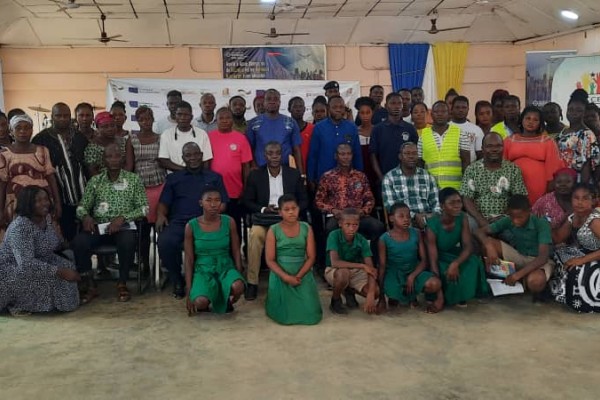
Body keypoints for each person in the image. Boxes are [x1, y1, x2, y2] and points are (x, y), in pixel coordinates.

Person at [72, 143, 148, 303]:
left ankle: (122, 282)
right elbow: (82, 206)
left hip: (123, 227)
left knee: (128, 241)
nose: (113, 160)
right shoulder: (95, 181)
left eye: (117, 156)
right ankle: (89, 284)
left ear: (123, 159)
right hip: (99, 227)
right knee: (79, 242)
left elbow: (144, 208)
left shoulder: (133, 179)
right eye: (109, 156)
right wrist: (85, 217)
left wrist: (123, 218)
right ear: (103, 160)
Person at [157, 142, 228, 299]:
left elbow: (223, 203)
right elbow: (163, 202)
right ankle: (177, 279)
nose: (193, 158)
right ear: (183, 158)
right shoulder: (174, 178)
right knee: (164, 242)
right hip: (179, 222)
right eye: (188, 155)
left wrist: (213, 211)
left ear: (202, 156)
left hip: (206, 222)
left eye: (196, 154)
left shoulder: (214, 177)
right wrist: (161, 215)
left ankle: (209, 278)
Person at [241, 141, 307, 301]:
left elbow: (304, 201)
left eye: (278, 153)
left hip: (288, 220)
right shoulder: (256, 175)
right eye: (270, 153)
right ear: (265, 156)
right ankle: (252, 282)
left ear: (282, 155)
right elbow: (247, 201)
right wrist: (264, 209)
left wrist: (290, 211)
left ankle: (299, 277)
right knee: (255, 235)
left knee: (303, 231)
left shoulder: (293, 174)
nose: (275, 157)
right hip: (265, 219)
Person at [0, 186, 80, 316]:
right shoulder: (20, 227)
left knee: (68, 265)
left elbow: (51, 243)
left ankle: (62, 301)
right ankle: (16, 303)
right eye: (38, 200)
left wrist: (66, 245)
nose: (45, 203)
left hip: (39, 260)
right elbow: (26, 264)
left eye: (46, 199)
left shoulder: (46, 218)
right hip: (13, 270)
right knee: (59, 275)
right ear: (28, 204)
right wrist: (59, 271)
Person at [316, 143, 385, 260]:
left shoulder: (360, 176)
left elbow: (369, 199)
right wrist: (333, 210)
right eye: (342, 154)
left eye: (348, 154)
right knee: (330, 229)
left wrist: (363, 211)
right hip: (338, 217)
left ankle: (373, 261)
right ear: (336, 156)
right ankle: (332, 263)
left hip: (358, 216)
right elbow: (319, 201)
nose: (346, 157)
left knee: (378, 226)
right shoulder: (327, 177)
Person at [476, 194, 555, 296]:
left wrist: (516, 275)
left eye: (520, 217)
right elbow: (479, 232)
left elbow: (542, 258)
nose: (515, 221)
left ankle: (521, 279)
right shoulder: (509, 220)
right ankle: (503, 278)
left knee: (535, 282)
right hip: (520, 256)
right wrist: (488, 245)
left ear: (529, 211)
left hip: (539, 262)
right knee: (488, 244)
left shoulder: (541, 223)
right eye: (512, 217)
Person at [32, 102, 88, 242]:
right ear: (52, 116)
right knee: (62, 230)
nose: (62, 118)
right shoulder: (41, 139)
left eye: (66, 115)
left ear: (71, 117)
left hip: (82, 192)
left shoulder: (79, 137)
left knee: (84, 231)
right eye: (58, 115)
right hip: (57, 192)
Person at [183, 187, 244, 315]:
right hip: (203, 269)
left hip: (225, 266)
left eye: (217, 200)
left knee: (238, 286)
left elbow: (236, 250)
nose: (213, 204)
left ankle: (225, 295)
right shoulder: (191, 226)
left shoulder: (229, 221)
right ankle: (210, 297)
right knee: (200, 302)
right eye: (209, 200)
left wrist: (239, 274)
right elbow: (188, 259)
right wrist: (188, 290)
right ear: (201, 203)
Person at [0, 114, 62, 237]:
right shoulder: (4, 154)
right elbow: (2, 184)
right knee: (21, 236)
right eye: (18, 128)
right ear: (11, 131)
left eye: (27, 128)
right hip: (16, 202)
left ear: (32, 130)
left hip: (42, 200)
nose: (22, 131)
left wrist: (57, 202)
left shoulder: (42, 150)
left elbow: (51, 177)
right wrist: (0, 209)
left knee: (45, 234)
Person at [264, 194, 322, 325]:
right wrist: (286, 277)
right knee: (283, 313)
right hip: (281, 273)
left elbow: (311, 257)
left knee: (312, 314)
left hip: (302, 272)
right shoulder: (273, 230)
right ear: (280, 212)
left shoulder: (306, 228)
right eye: (286, 209)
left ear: (298, 209)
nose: (291, 212)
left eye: (294, 208)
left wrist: (298, 276)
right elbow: (270, 260)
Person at [377, 202, 444, 313]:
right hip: (395, 274)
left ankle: (411, 296)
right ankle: (401, 297)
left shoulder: (416, 233)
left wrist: (412, 276)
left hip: (414, 270)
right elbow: (382, 266)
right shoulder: (384, 239)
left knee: (435, 284)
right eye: (401, 216)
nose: (406, 219)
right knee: (392, 292)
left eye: (408, 216)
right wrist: (381, 298)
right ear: (391, 218)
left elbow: (424, 260)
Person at [427, 188, 489, 306]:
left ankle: (463, 295)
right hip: (437, 256)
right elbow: (433, 257)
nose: (457, 206)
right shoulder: (432, 224)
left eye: (459, 202)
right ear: (442, 206)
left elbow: (468, 246)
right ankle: (442, 295)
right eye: (452, 203)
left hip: (452, 253)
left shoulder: (462, 217)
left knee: (473, 261)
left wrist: (455, 263)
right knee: (442, 269)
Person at [461, 133, 528, 230]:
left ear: (503, 147)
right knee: (467, 225)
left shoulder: (513, 169)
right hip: (477, 218)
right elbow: (467, 198)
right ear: (482, 149)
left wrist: (503, 218)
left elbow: (519, 198)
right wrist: (481, 220)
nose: (494, 149)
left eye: (498, 146)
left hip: (506, 218)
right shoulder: (472, 169)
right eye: (489, 146)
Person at [126, 106, 166, 267]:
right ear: (137, 121)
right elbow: (129, 166)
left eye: (148, 118)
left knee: (161, 226)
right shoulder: (132, 139)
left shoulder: (161, 138)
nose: (145, 122)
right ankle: (144, 264)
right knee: (142, 228)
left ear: (152, 119)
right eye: (141, 119)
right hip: (140, 187)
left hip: (160, 185)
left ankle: (162, 263)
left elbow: (164, 160)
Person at [550, 184, 600, 312]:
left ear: (593, 201)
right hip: (587, 255)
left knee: (575, 267)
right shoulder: (574, 217)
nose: (580, 202)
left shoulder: (594, 221)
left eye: (585, 198)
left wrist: (581, 260)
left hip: (595, 258)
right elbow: (558, 238)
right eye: (576, 198)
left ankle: (585, 302)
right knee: (558, 253)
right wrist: (547, 224)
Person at [503, 106, 565, 205]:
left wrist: (548, 191)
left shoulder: (547, 141)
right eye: (528, 118)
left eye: (535, 120)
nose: (531, 122)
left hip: (540, 187)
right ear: (522, 119)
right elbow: (503, 165)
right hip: (514, 186)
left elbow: (553, 167)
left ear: (540, 123)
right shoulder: (509, 140)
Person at [208, 107, 252, 238]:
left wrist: (245, 189)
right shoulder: (209, 137)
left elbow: (246, 166)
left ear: (232, 120)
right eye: (221, 118)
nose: (225, 120)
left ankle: (237, 250)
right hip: (214, 191)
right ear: (216, 120)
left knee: (235, 226)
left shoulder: (241, 138)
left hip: (235, 191)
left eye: (228, 117)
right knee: (216, 227)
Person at [325, 208, 379, 314]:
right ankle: (335, 300)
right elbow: (335, 262)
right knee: (343, 274)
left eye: (355, 225)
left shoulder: (361, 240)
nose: (351, 228)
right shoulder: (334, 235)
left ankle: (349, 291)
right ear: (340, 224)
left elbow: (371, 268)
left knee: (376, 291)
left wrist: (371, 294)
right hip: (335, 269)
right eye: (347, 224)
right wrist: (362, 266)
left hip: (355, 271)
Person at [382, 142, 440, 230]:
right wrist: (414, 216)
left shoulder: (427, 176)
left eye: (414, 153)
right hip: (404, 223)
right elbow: (391, 207)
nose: (411, 156)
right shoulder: (389, 178)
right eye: (407, 153)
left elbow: (436, 202)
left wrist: (429, 217)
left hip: (428, 221)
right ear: (400, 156)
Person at [307, 95, 362, 186]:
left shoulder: (352, 127)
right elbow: (313, 155)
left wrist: (359, 175)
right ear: (328, 108)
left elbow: (357, 154)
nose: (338, 110)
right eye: (335, 107)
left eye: (341, 107)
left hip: (347, 179)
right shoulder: (319, 128)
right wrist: (311, 178)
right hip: (324, 179)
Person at [246, 89, 303, 174]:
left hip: (285, 171)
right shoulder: (254, 123)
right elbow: (249, 148)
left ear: (279, 102)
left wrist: (301, 173)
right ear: (264, 102)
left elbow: (296, 149)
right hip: (261, 171)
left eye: (275, 99)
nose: (272, 102)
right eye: (269, 99)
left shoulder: (290, 122)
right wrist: (254, 166)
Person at [418, 101, 471, 189]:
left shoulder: (460, 133)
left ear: (449, 114)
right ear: (431, 114)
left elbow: (466, 163)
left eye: (443, 111)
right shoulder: (423, 135)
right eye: (436, 111)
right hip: (431, 189)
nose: (440, 114)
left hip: (455, 189)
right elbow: (419, 163)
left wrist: (466, 187)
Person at [370, 92, 418, 186]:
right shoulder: (377, 129)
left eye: (399, 103)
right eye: (392, 103)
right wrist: (381, 177)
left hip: (407, 179)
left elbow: (417, 154)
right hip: (385, 178)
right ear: (386, 106)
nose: (396, 106)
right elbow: (373, 156)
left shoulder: (410, 128)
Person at [556, 92, 599, 184]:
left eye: (578, 110)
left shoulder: (586, 134)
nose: (573, 113)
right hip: (562, 180)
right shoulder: (563, 132)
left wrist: (582, 187)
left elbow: (586, 165)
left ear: (584, 113)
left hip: (577, 181)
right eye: (570, 109)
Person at [158, 101, 213, 172]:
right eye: (179, 114)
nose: (183, 118)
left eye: (186, 115)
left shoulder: (202, 134)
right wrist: (186, 171)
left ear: (191, 117)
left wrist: (200, 175)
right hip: (175, 175)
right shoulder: (166, 135)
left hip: (198, 175)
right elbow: (164, 160)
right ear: (175, 116)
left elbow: (206, 160)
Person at [84, 112, 129, 177]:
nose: (110, 129)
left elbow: (128, 163)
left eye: (112, 125)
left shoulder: (123, 142)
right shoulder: (92, 147)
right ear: (98, 128)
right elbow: (92, 170)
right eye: (105, 127)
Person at [451, 95, 484, 162]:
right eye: (457, 107)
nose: (460, 110)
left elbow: (480, 154)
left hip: (471, 167)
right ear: (452, 109)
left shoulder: (476, 130)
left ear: (468, 109)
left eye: (464, 107)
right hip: (450, 167)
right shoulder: (446, 127)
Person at [354, 96, 377, 191]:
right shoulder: (355, 131)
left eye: (368, 112)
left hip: (376, 170)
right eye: (362, 113)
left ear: (372, 113)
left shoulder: (378, 130)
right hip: (360, 170)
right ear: (358, 114)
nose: (365, 116)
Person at [288, 96, 313, 174]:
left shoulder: (312, 128)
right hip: (290, 172)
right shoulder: (285, 130)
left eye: (300, 106)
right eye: (295, 106)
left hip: (309, 170)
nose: (298, 109)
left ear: (304, 109)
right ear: (289, 109)